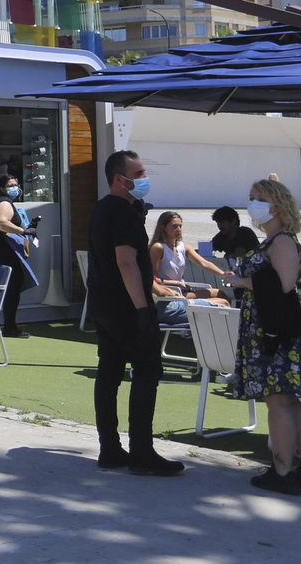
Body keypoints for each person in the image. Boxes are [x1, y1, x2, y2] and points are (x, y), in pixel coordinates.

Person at [219, 178, 301, 494]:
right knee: (290, 402)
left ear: (277, 206)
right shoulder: (274, 241)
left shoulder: (281, 241)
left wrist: (241, 282)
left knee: (279, 401)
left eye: (258, 198)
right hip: (276, 327)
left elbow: (282, 287)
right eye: (251, 196)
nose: (251, 203)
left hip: (278, 330)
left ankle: (283, 472)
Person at [86, 150, 182, 476]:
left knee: (109, 374)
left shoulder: (100, 208)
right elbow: (126, 262)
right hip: (126, 306)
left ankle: (110, 448)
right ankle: (141, 451)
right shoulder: (122, 213)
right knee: (147, 372)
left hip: (102, 304)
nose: (144, 179)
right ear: (119, 178)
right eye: (138, 173)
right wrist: (143, 309)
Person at [0, 174, 36, 337]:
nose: (14, 187)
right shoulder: (4, 202)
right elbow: (2, 222)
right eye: (10, 185)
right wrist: (23, 230)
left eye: (16, 184)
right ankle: (10, 327)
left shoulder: (0, 201)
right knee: (14, 284)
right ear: (1, 188)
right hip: (4, 248)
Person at [149, 211, 230, 305]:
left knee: (220, 293)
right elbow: (153, 279)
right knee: (222, 303)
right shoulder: (158, 248)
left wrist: (224, 274)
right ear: (163, 227)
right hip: (169, 294)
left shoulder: (183, 247)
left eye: (180, 226)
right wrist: (177, 283)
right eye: (174, 226)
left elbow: (204, 263)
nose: (178, 229)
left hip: (183, 292)